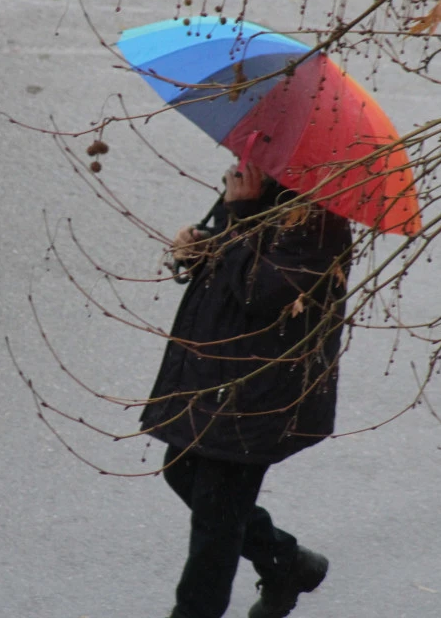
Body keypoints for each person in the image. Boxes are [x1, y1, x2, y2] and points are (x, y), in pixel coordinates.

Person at [140, 160, 353, 618]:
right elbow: (234, 263)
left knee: (216, 524)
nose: (239, 153)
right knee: (183, 472)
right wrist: (198, 248)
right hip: (219, 375)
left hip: (259, 390)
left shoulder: (317, 213)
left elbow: (266, 293)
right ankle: (287, 563)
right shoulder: (258, 180)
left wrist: (239, 216)